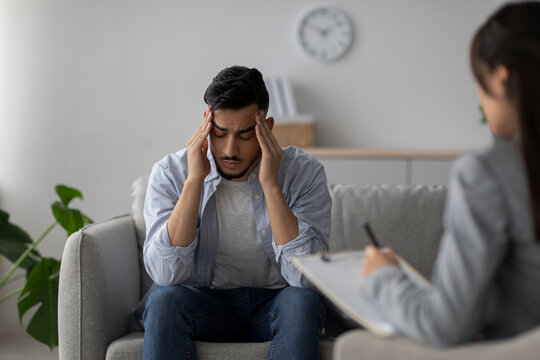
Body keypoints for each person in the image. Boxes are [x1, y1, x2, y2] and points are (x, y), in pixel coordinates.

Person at [360, 1, 540, 347]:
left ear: (502, 76)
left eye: (479, 80)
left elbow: (444, 326)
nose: (479, 96)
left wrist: (383, 276)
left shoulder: (487, 174)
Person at [141, 65, 331, 359]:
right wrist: (194, 182)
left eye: (245, 135)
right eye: (219, 134)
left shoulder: (303, 173)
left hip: (277, 301)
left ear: (266, 127)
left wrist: (271, 184)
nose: (230, 150)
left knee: (302, 302)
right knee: (164, 299)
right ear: (206, 122)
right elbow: (166, 274)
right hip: (204, 302)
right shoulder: (171, 173)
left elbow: (307, 279)